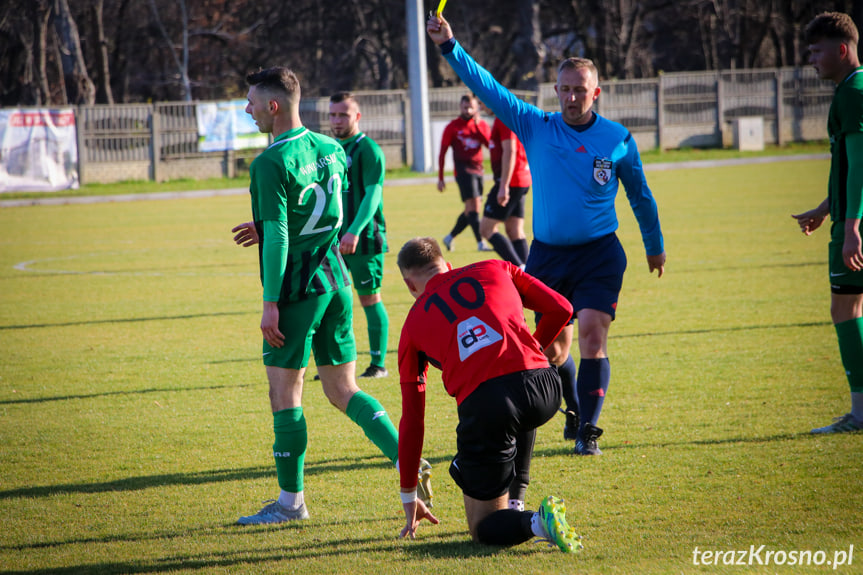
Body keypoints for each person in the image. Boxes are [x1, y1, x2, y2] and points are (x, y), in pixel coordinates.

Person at [427, 14, 666, 456]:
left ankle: (589, 431)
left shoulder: (617, 139)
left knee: (593, 331)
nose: (573, 97)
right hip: (548, 258)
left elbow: (641, 195)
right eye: (566, 89)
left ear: (596, 93)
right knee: (552, 348)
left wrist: (655, 247)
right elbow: (488, 88)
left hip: (600, 255)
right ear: (556, 91)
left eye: (582, 89)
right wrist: (449, 46)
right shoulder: (537, 125)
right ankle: (575, 410)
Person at [229, 67, 430, 524]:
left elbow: (280, 236)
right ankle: (406, 460)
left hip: (298, 289)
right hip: (336, 280)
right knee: (343, 389)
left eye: (252, 102)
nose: (248, 109)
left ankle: (290, 504)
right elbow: (328, 212)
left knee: (285, 395)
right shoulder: (330, 147)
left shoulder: (268, 163)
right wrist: (271, 228)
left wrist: (270, 302)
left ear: (273, 106)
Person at [395, 237, 581, 552]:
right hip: (546, 388)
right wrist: (531, 350)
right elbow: (562, 307)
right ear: (447, 264)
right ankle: (515, 500)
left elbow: (413, 418)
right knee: (512, 409)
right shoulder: (496, 266)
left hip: (489, 405)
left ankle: (537, 521)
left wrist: (409, 495)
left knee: (482, 529)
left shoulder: (413, 323)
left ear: (409, 285)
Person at [792, 12, 863, 434]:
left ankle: (859, 413)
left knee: (845, 309)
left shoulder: (852, 93)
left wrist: (851, 224)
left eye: (817, 51)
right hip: (848, 215)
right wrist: (826, 206)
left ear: (842, 49)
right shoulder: (854, 88)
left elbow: (859, 164)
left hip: (855, 224)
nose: (812, 59)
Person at [328, 91, 390, 378]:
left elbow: (372, 194)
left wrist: (353, 231)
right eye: (332, 114)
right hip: (331, 241)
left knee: (369, 298)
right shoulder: (328, 149)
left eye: (343, 114)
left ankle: (378, 364)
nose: (337, 120)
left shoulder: (368, 150)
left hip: (363, 240)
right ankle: (334, 363)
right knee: (331, 301)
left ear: (357, 117)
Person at [478, 103, 532, 268]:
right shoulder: (505, 119)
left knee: (486, 229)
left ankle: (520, 270)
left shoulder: (504, 120)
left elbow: (510, 151)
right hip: (520, 180)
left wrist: (503, 185)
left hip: (511, 181)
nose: (481, 107)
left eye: (482, 102)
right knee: (514, 230)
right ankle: (532, 271)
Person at [438, 93, 492, 252]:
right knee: (474, 206)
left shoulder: (481, 125)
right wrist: (441, 177)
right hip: (463, 171)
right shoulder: (453, 126)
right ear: (460, 107)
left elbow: (489, 145)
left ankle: (450, 237)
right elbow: (442, 152)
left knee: (471, 210)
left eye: (471, 107)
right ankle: (481, 242)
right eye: (465, 107)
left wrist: (477, 126)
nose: (467, 110)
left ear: (476, 109)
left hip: (479, 170)